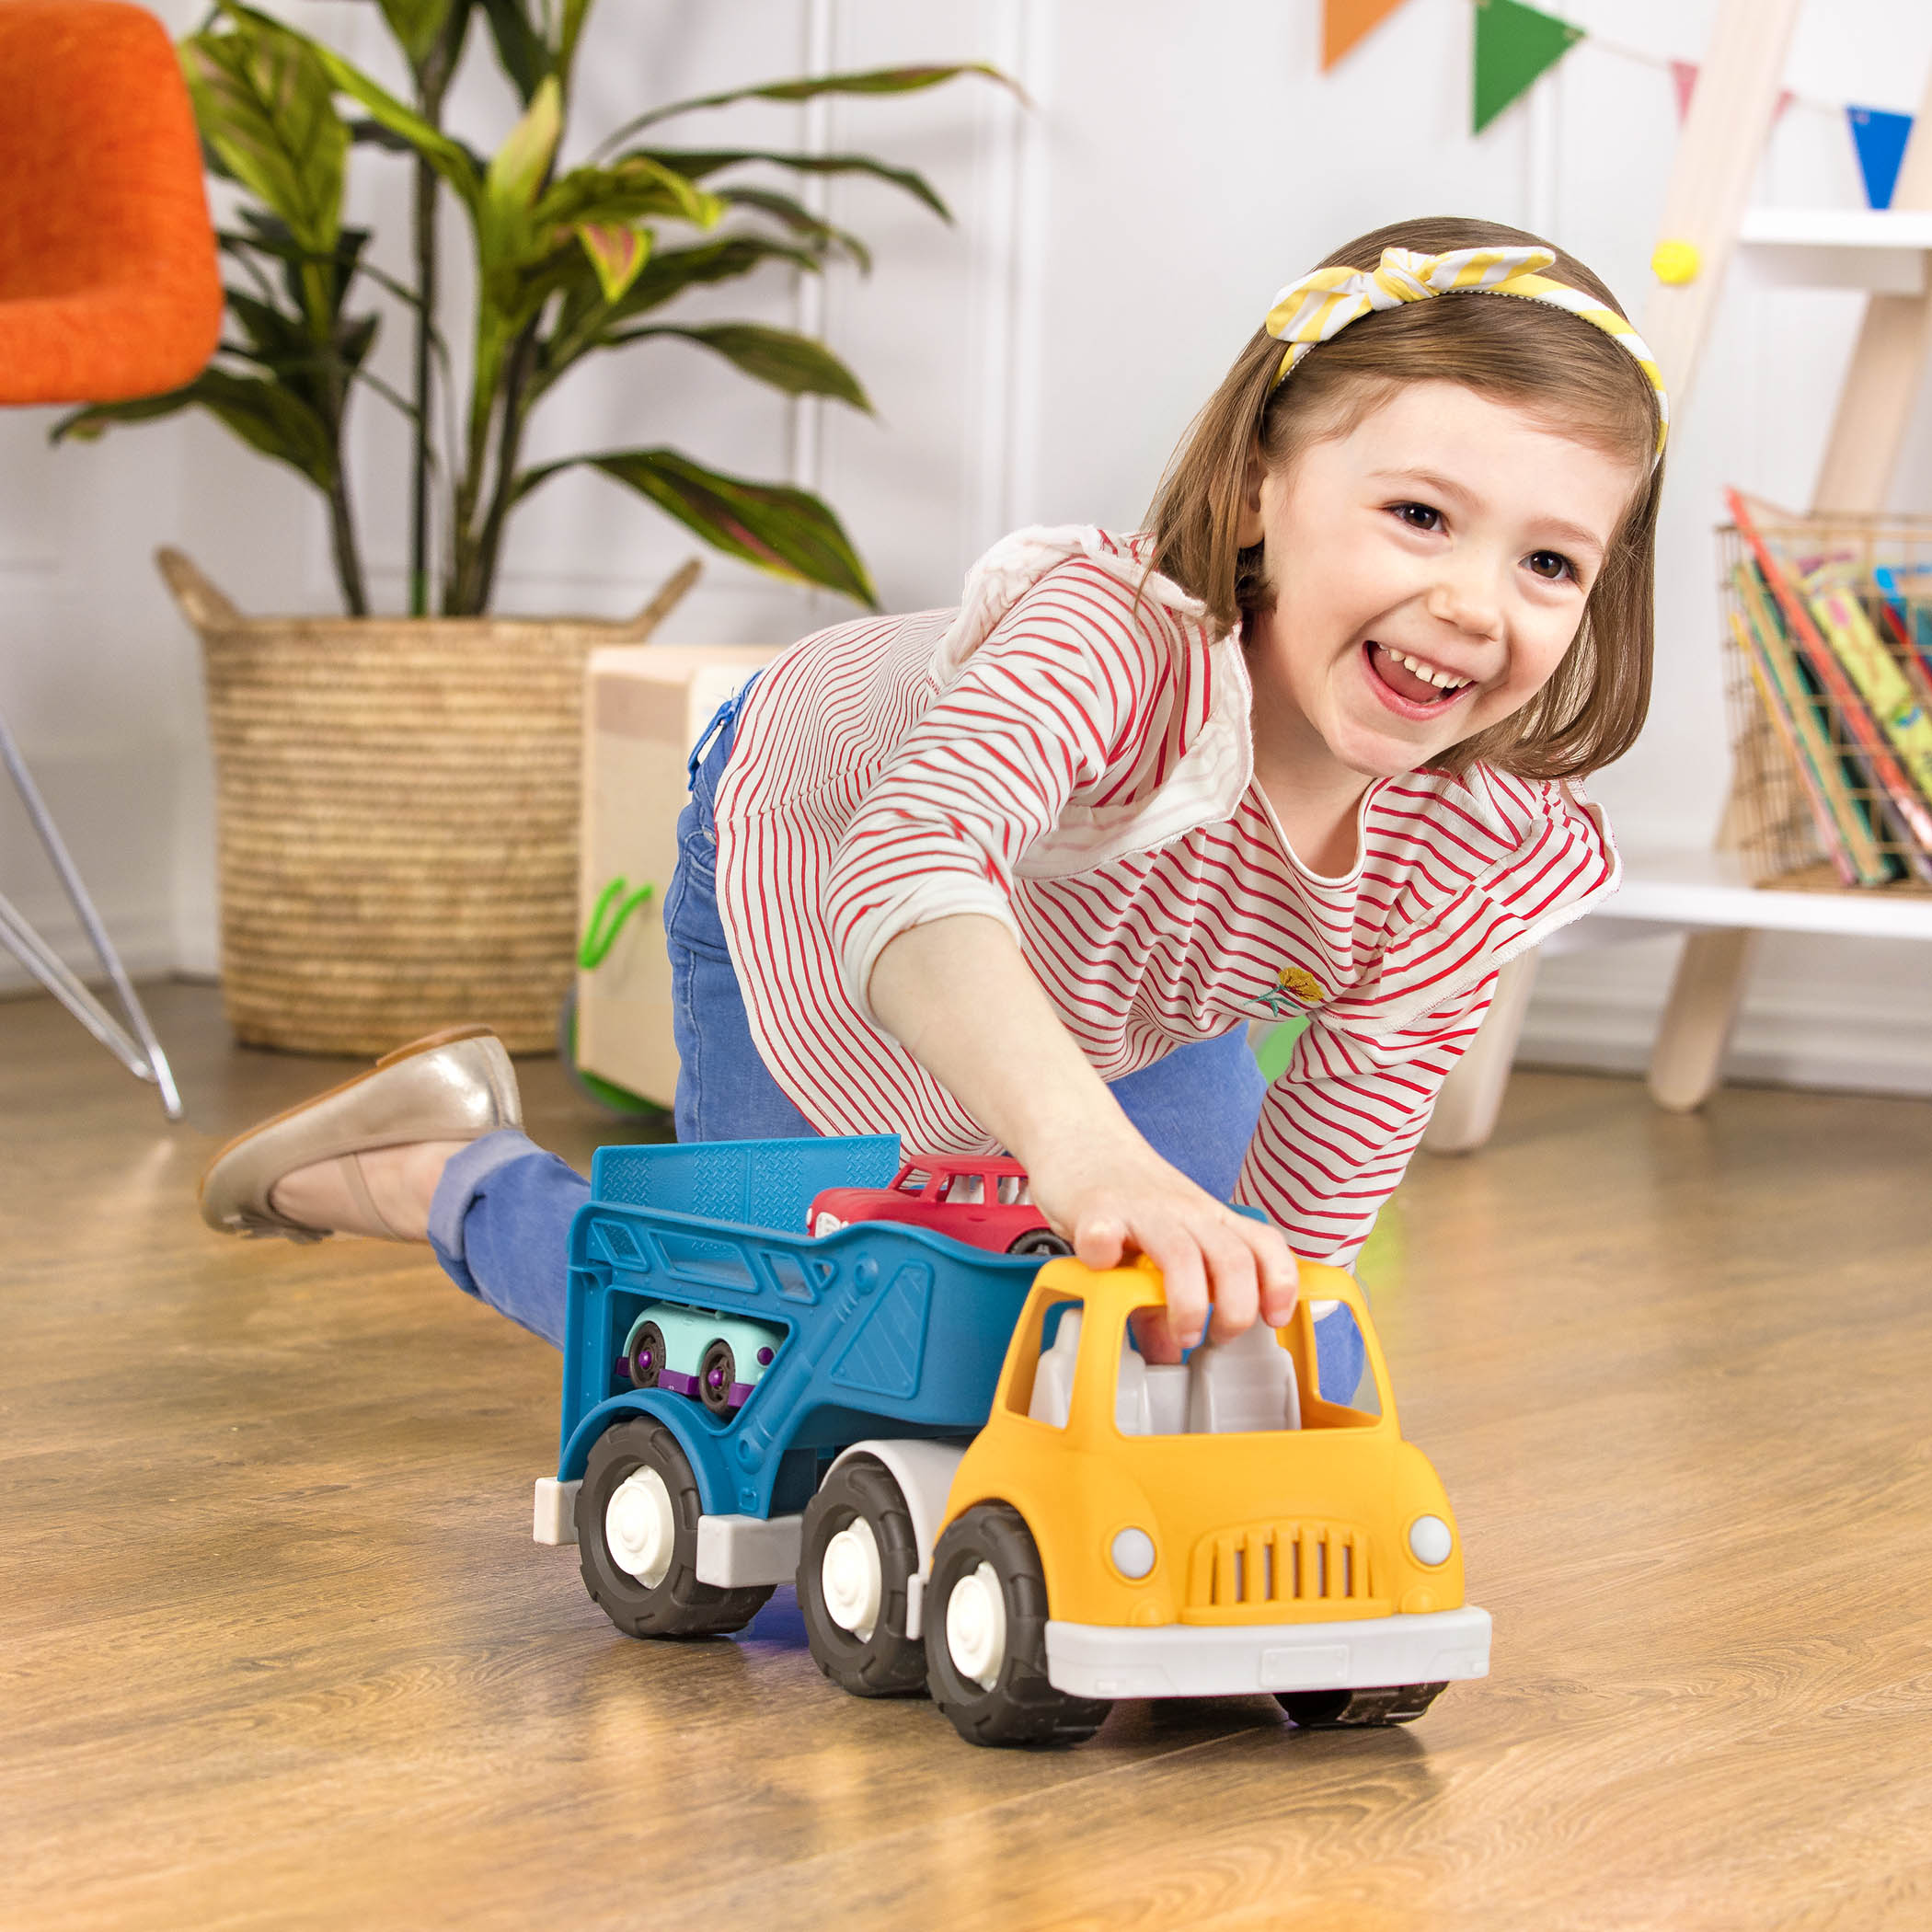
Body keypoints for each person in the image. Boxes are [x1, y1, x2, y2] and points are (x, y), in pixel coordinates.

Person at [200, 214, 1663, 1366]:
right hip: (839, 845)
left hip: (1129, 974)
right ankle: (434, 1174)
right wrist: (1080, 1148)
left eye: (1549, 562)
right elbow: (913, 868)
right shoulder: (1111, 635)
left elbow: (1308, 1214)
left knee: (1137, 1309)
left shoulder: (1471, 852)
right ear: (1262, 489)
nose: (1479, 605)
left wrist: (1239, 1364)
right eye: (1419, 515)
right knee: (775, 1354)